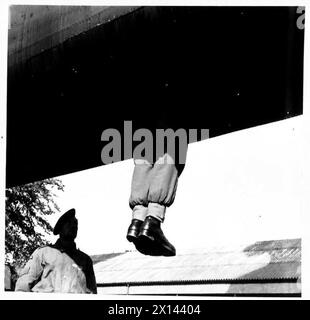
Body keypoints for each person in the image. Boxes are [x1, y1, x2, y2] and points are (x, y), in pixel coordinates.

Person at [15, 209, 97, 294]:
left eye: (75, 224)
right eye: (69, 223)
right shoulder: (43, 253)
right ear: (60, 229)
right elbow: (23, 288)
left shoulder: (85, 260)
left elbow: (92, 293)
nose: (73, 226)